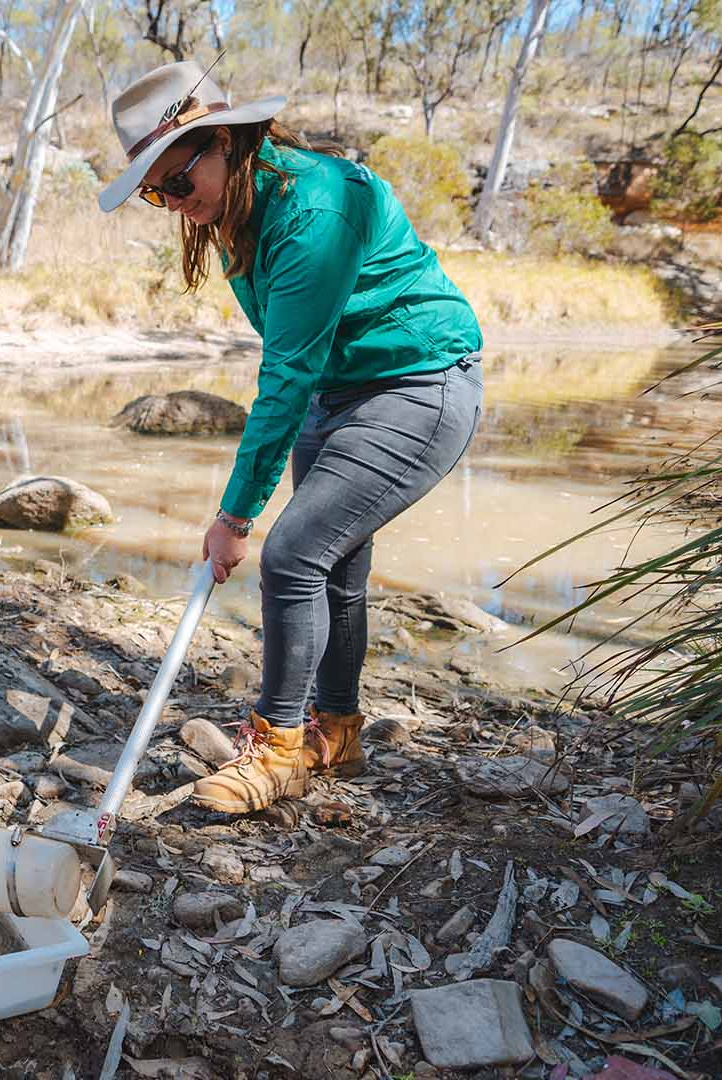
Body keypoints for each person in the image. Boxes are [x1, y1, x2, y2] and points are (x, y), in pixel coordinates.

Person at [97, 61, 485, 814]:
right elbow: (296, 362)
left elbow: (286, 373)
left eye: (180, 179)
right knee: (332, 562)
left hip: (419, 384)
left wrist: (235, 516)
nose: (177, 203)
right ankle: (335, 731)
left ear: (228, 139)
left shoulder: (316, 208)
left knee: (293, 551)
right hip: (341, 389)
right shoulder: (240, 208)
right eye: (158, 193)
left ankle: (277, 750)